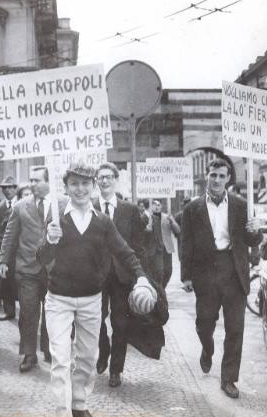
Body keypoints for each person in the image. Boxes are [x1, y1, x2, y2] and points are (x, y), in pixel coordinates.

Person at [39, 161, 154, 417]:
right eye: (74, 184)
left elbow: (124, 251)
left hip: (91, 299)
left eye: (84, 184)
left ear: (93, 186)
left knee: (88, 359)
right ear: (66, 187)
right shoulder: (57, 215)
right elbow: (41, 257)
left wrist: (142, 277)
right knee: (60, 360)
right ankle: (62, 412)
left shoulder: (102, 221)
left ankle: (79, 405)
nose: (79, 189)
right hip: (58, 299)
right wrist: (49, 240)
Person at [181, 158, 262, 399]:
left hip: (234, 271)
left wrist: (256, 230)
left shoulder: (241, 205)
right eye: (213, 175)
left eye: (221, 176)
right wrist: (186, 276)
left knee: (235, 328)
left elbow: (252, 242)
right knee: (204, 323)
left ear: (228, 179)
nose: (217, 180)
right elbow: (186, 243)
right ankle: (207, 348)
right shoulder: (192, 208)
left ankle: (228, 379)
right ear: (207, 176)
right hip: (205, 272)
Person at [93, 162, 145, 387]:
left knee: (120, 324)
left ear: (116, 180)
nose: (104, 181)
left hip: (122, 276)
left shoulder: (129, 209)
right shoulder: (89, 206)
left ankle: (116, 369)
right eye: (100, 177)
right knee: (96, 321)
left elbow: (138, 245)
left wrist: (139, 276)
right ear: (96, 181)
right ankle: (103, 350)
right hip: (95, 275)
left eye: (108, 177)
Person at [0, 167, 53, 372]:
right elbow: (10, 235)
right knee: (28, 312)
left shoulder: (62, 204)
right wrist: (2, 260)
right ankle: (29, 355)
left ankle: (49, 350)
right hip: (27, 269)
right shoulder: (20, 206)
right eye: (30, 180)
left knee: (53, 313)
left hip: (53, 269)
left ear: (48, 182)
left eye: (37, 180)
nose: (32, 184)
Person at [0, 176, 19, 321]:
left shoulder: (22, 204)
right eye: (4, 188)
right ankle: (9, 310)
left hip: (21, 249)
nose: (7, 190)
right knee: (6, 281)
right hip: (5, 249)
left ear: (16, 188)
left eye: (10, 187)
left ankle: (26, 309)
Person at [144, 199, 180, 288]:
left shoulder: (167, 217)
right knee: (158, 272)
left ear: (162, 206)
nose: (156, 207)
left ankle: (161, 289)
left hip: (166, 248)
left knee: (168, 271)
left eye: (158, 205)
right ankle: (159, 292)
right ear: (151, 206)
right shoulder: (148, 217)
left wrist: (172, 221)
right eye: (154, 204)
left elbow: (178, 230)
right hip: (154, 250)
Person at [173, 196, 192, 285]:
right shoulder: (179, 216)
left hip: (187, 241)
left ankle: (187, 278)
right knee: (183, 259)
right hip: (183, 241)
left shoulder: (195, 214)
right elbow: (175, 229)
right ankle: (185, 278)